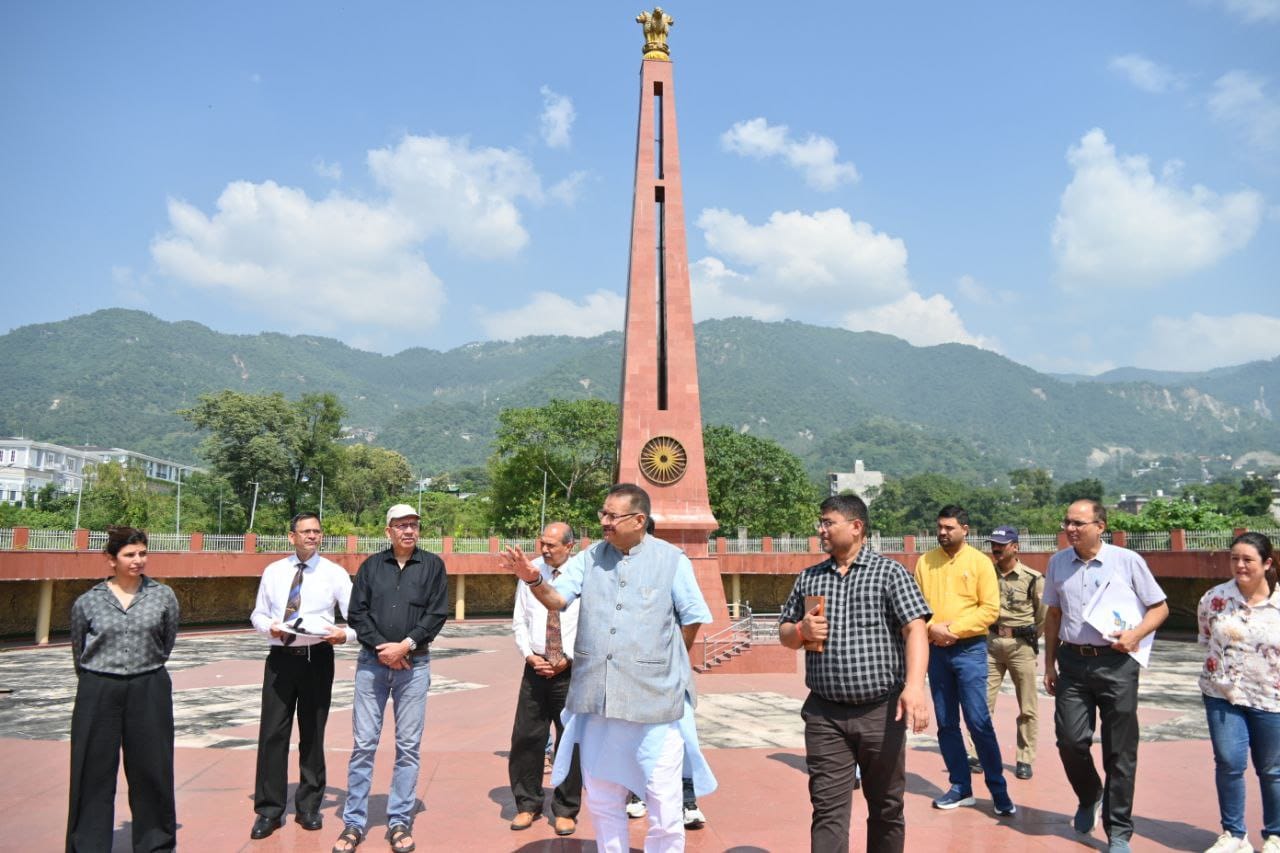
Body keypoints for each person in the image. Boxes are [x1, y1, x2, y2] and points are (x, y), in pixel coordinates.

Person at [499, 482, 715, 853]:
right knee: (602, 795)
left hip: (655, 703)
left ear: (639, 519)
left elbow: (692, 617)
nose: (603, 521)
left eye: (612, 516)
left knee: (663, 798)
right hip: (597, 697)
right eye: (603, 514)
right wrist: (532, 578)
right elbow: (556, 598)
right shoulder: (590, 557)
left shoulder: (671, 560)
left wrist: (669, 659)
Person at [778, 494, 931, 853]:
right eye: (822, 522)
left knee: (886, 806)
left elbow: (916, 629)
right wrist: (801, 631)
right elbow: (785, 634)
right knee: (828, 809)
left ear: (856, 527)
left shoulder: (889, 573)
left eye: (828, 522)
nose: (821, 529)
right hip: (825, 714)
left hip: (881, 711)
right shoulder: (810, 577)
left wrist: (914, 688)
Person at [1043, 499, 1169, 853]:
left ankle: (1118, 832)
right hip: (1072, 662)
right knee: (1070, 740)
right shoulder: (1057, 563)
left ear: (1101, 526)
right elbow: (1053, 615)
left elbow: (1160, 608)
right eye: (1067, 522)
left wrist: (1136, 635)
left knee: (1120, 751)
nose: (1071, 529)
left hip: (1116, 663)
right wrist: (1049, 663)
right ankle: (1090, 794)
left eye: (1079, 523)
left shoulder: (1127, 562)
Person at [333, 505, 449, 853]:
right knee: (364, 744)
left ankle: (399, 820)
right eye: (401, 526)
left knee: (408, 747)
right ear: (388, 531)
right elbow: (357, 613)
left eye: (413, 525)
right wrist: (385, 649)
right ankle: (354, 822)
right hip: (372, 664)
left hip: (415, 666)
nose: (408, 531)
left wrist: (406, 646)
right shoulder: (371, 567)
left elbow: (436, 613)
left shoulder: (433, 566)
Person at [66, 526, 180, 852]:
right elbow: (79, 649)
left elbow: (166, 640)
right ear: (111, 559)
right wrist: (100, 679)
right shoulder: (88, 602)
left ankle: (156, 843)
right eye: (129, 554)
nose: (138, 560)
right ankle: (88, 844)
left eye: (142, 553)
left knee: (152, 768)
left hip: (149, 685)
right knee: (93, 771)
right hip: (98, 688)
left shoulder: (162, 596)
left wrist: (144, 668)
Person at [248, 512, 355, 840]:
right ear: (291, 536)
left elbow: (357, 618)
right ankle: (269, 810)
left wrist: (345, 636)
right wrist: (269, 627)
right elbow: (258, 612)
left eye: (317, 531)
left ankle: (309, 806)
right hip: (281, 658)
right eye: (305, 531)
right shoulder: (274, 572)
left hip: (317, 659)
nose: (312, 536)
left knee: (313, 733)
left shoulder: (334, 574)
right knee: (272, 734)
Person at [913, 505, 1014, 816]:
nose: (943, 532)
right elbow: (915, 607)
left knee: (978, 721)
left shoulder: (981, 563)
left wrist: (953, 630)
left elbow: (990, 610)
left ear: (965, 529)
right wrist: (932, 629)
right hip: (936, 651)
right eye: (940, 527)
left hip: (969, 649)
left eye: (950, 527)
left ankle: (998, 790)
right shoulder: (925, 562)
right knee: (946, 723)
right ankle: (960, 786)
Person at [1197, 532, 1280, 853]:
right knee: (1229, 763)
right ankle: (1234, 834)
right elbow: (1206, 638)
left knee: (1272, 770)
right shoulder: (1214, 598)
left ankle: (1275, 834)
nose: (1240, 566)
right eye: (1235, 559)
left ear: (1267, 563)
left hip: (1270, 697)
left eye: (1248, 560)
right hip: (1222, 694)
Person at [508, 522, 583, 837]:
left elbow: (591, 622)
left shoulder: (583, 574)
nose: (545, 550)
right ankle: (527, 804)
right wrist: (529, 655)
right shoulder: (530, 572)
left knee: (570, 740)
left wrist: (568, 659)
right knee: (527, 738)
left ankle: (566, 809)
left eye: (552, 545)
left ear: (570, 546)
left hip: (571, 669)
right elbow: (520, 620)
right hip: (535, 668)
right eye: (542, 543)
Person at [964, 525, 1045, 781]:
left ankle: (1024, 758)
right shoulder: (985, 574)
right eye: (993, 544)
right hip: (990, 643)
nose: (995, 549)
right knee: (981, 703)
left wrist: (1030, 637)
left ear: (1015, 546)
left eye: (1001, 544)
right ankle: (976, 753)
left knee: (1028, 706)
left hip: (1021, 646)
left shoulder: (1032, 578)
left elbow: (1042, 616)